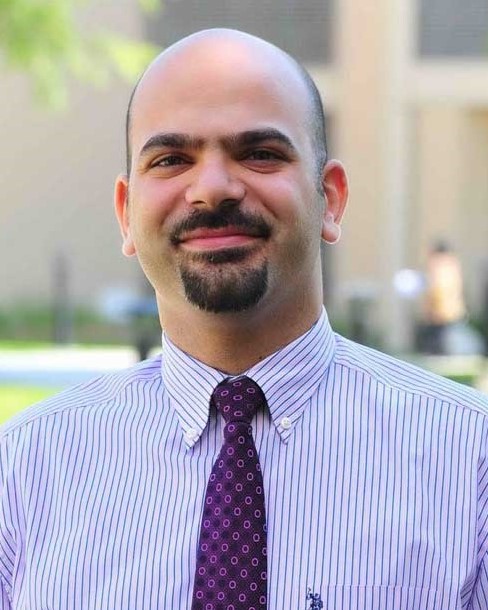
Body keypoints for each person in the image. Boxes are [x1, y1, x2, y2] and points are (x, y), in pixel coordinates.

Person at [1, 29, 487, 610]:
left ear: (330, 198)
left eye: (259, 153)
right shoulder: (23, 471)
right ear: (126, 214)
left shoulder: (471, 463)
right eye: (171, 160)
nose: (212, 189)